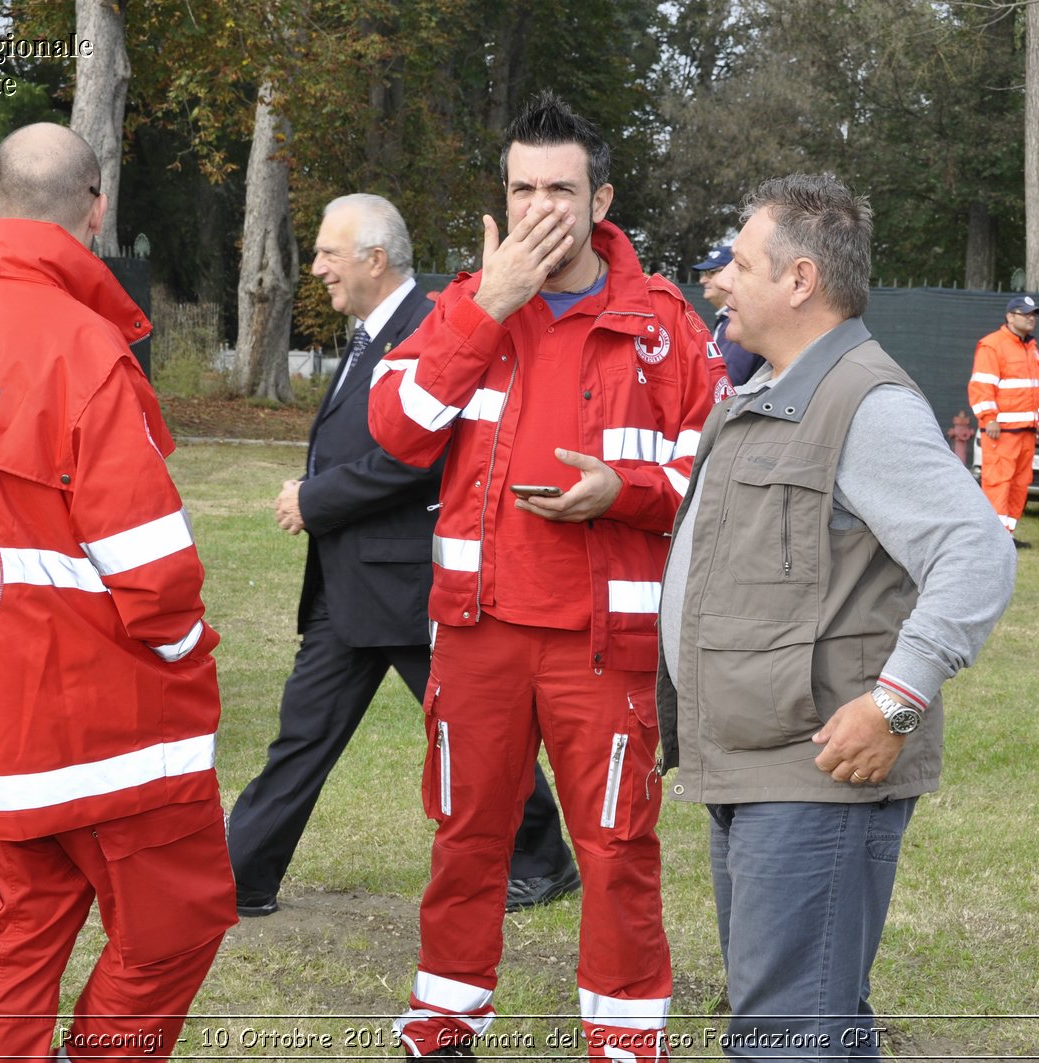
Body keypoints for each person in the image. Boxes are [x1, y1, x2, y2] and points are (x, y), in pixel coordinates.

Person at [369, 92, 729, 1061]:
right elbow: (396, 432)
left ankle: (623, 1041)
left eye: (560, 190)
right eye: (522, 188)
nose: (539, 209)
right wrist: (486, 306)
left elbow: (714, 472)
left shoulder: (661, 324)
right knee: (464, 840)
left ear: (600, 197)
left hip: (601, 644)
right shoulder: (465, 303)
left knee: (615, 851)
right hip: (478, 632)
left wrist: (625, 490)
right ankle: (441, 1026)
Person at [0, 122, 235, 1061]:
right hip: (115, 730)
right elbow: (154, 566)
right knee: (178, 927)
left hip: (0, 720)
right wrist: (184, 656)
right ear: (97, 208)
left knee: (21, 942)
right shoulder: (84, 349)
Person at [656, 173, 1015, 1061]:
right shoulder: (770, 389)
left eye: (739, 264)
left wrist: (897, 702)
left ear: (800, 280)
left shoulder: (866, 403)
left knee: (786, 1034)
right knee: (808, 1019)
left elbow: (976, 552)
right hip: (755, 764)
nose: (718, 282)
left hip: (814, 775)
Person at [226, 193, 577, 917]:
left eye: (328, 251)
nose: (317, 266)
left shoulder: (432, 325)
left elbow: (417, 456)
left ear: (375, 259)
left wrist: (315, 499)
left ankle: (542, 861)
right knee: (305, 732)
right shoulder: (367, 334)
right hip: (351, 582)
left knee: (475, 736)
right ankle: (239, 877)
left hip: (412, 584)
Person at [969, 294, 1039, 547]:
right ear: (1010, 317)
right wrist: (989, 418)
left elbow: (1035, 389)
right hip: (1001, 432)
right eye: (1025, 314)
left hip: (1025, 430)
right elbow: (982, 385)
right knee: (999, 484)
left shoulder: (1031, 347)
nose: (1031, 318)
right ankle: (994, 538)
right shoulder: (992, 345)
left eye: (1033, 314)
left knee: (1019, 485)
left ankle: (1006, 536)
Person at [691, 244, 762, 386]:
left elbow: (726, 383)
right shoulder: (725, 320)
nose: (703, 280)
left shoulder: (742, 323)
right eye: (703, 274)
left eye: (711, 273)